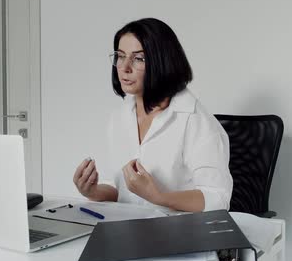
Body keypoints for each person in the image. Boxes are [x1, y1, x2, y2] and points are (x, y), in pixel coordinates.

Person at [72, 18, 233, 212]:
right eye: (121, 56)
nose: (125, 67)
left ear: (162, 62)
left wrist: (157, 197)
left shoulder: (196, 121)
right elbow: (120, 190)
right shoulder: (119, 117)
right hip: (131, 230)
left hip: (181, 234)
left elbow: (217, 198)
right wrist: (93, 191)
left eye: (138, 58)